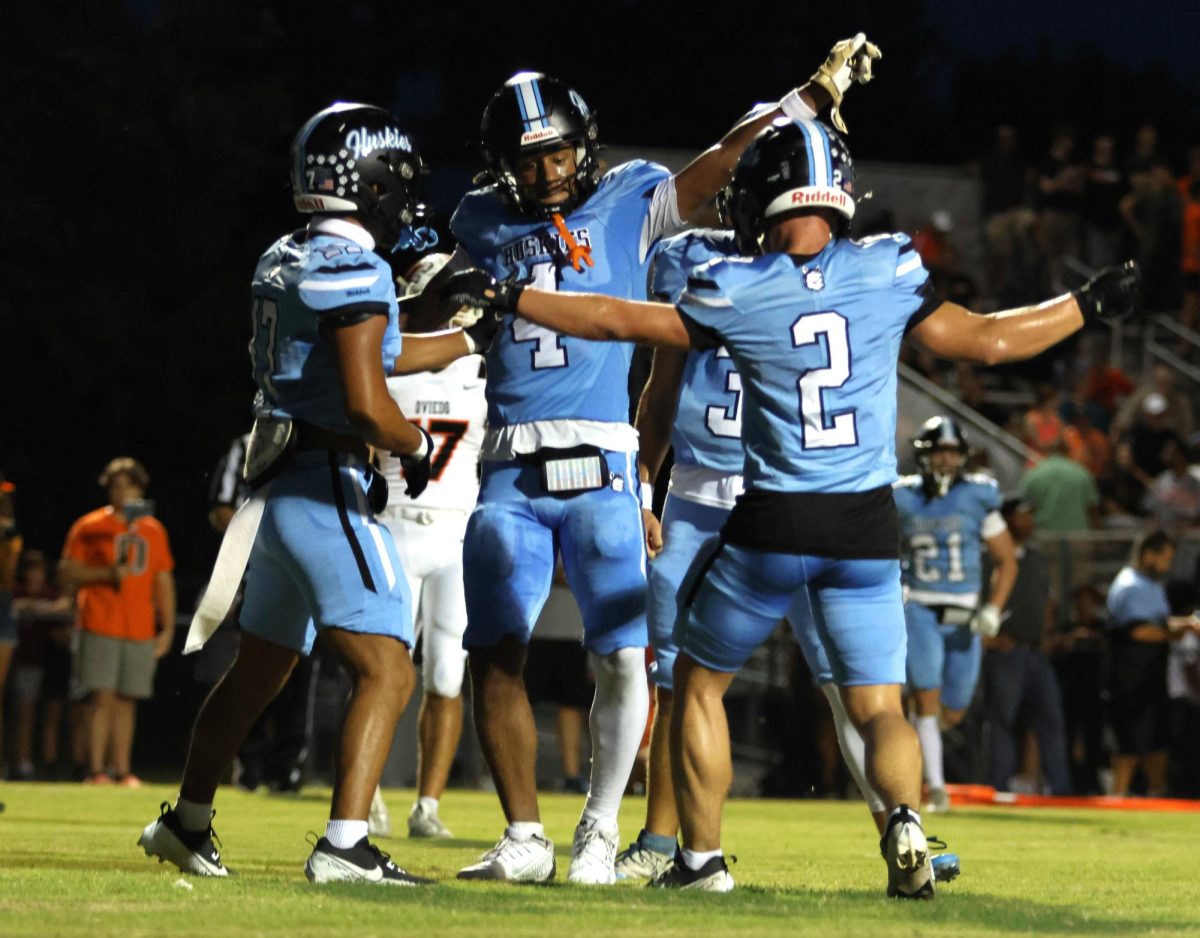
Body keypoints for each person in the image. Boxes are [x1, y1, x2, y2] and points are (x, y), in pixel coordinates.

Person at [442, 116, 1141, 896]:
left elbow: (614, 318)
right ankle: (906, 822)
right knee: (878, 704)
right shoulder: (887, 268)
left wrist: (513, 296)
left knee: (696, 685)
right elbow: (987, 342)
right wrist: (1086, 303)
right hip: (867, 524)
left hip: (770, 517)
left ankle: (699, 859)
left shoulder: (737, 285)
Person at [435, 36, 881, 886]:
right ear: (500, 166)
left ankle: (600, 831)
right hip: (507, 464)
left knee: (622, 654)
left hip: (603, 461)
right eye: (529, 161)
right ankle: (525, 836)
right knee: (495, 654)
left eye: (559, 150)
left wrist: (808, 98)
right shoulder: (481, 224)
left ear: (585, 142)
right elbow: (444, 302)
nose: (549, 172)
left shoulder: (633, 202)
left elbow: (723, 159)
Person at [138, 102, 496, 884]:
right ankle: (344, 845)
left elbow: (371, 347)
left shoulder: (286, 254)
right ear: (369, 184)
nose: (405, 199)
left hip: (276, 490)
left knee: (260, 671)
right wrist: (410, 443)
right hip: (324, 484)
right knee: (390, 670)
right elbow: (368, 399)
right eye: (396, 184)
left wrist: (466, 337)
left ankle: (188, 825)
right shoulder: (355, 269)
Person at [374, 252, 488, 839]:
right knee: (385, 671)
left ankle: (428, 806)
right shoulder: (388, 360)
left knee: (447, 674)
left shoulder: (478, 367)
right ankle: (366, 792)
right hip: (394, 522)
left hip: (456, 529)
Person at [894, 416, 1018, 813]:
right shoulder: (902, 496)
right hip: (921, 608)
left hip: (964, 615)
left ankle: (913, 749)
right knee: (925, 700)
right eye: (939, 452)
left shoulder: (978, 496)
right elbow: (874, 545)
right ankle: (935, 788)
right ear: (924, 456)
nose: (946, 461)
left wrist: (994, 609)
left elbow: (1006, 560)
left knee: (955, 708)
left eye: (952, 452)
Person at [60, 458, 175, 786]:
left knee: (128, 699)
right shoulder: (90, 525)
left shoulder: (153, 530)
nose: (122, 491)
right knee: (101, 697)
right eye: (116, 484)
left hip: (138, 626)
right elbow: (67, 572)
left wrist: (166, 628)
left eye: (128, 484)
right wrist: (107, 573)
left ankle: (122, 770)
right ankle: (96, 770)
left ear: (141, 488)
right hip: (100, 622)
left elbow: (162, 581)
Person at [980, 499, 1071, 795]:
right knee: (1002, 722)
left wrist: (1046, 635)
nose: (1029, 522)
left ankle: (1061, 790)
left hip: (1035, 650)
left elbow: (1046, 601)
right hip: (1005, 650)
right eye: (1023, 516)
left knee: (1052, 720)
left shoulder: (1035, 558)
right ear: (1005, 521)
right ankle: (999, 788)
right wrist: (988, 640)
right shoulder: (987, 560)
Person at [1104, 530, 1198, 797]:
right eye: (1165, 558)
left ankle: (1157, 798)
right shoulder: (1130, 586)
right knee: (1128, 749)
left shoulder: (1152, 585)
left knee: (1157, 746)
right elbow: (1139, 631)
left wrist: (1188, 624)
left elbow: (1160, 622)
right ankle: (1117, 801)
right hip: (1129, 681)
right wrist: (1178, 633)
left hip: (1151, 680)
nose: (1168, 565)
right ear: (1149, 555)